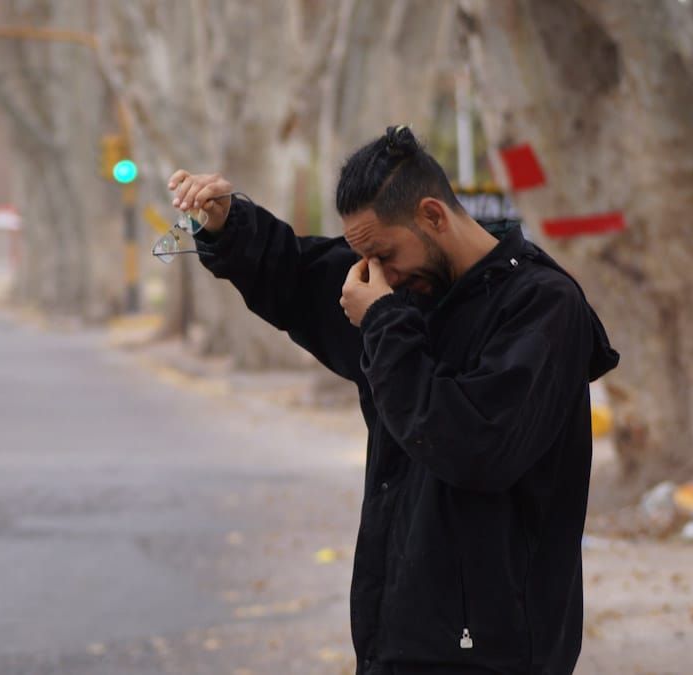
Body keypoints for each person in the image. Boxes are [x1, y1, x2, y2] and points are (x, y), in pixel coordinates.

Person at [168, 126, 619, 675]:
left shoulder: (541, 306)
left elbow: (473, 445)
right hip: (396, 633)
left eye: (382, 254)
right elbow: (297, 273)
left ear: (433, 215)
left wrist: (382, 321)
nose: (375, 275)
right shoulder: (403, 287)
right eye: (367, 262)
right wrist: (227, 223)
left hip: (497, 649)